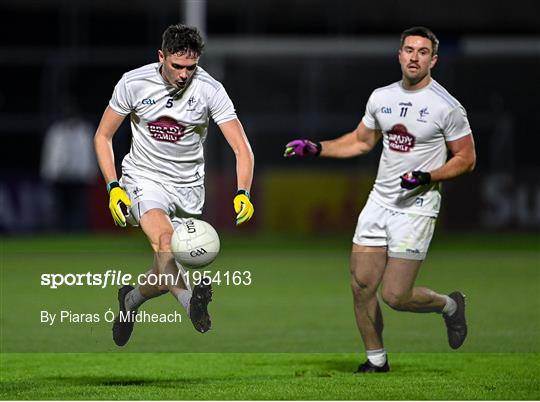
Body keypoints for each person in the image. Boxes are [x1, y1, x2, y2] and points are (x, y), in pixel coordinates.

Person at [284, 26, 476, 372]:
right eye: (408, 50)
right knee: (361, 285)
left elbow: (466, 158)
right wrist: (317, 148)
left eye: (422, 52)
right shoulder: (381, 97)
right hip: (379, 203)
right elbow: (360, 141)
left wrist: (428, 176)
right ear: (399, 54)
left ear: (433, 59)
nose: (414, 57)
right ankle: (376, 360)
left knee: (395, 296)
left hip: (417, 208)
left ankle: (449, 306)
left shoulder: (446, 106)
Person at [94, 23, 254, 346]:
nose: (184, 75)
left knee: (163, 267)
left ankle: (130, 300)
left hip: (188, 191)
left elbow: (242, 148)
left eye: (191, 68)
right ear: (161, 57)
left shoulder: (209, 89)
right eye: (177, 66)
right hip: (144, 179)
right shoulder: (134, 83)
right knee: (165, 241)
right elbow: (103, 136)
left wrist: (243, 192)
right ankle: (191, 303)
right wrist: (113, 186)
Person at [41, 103, 98, 231]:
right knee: (59, 207)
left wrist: (91, 172)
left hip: (79, 176)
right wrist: (48, 171)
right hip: (60, 176)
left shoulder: (85, 130)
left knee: (78, 207)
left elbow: (90, 152)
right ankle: (59, 232)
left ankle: (78, 231)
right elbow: (50, 151)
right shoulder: (56, 130)